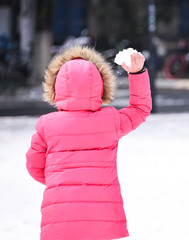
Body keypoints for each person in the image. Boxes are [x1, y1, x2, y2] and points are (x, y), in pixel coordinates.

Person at [26, 46, 152, 240]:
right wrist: (137, 73)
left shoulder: (46, 125)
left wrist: (60, 180)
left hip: (60, 214)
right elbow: (140, 109)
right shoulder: (111, 120)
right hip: (102, 217)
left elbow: (34, 166)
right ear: (101, 87)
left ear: (55, 87)